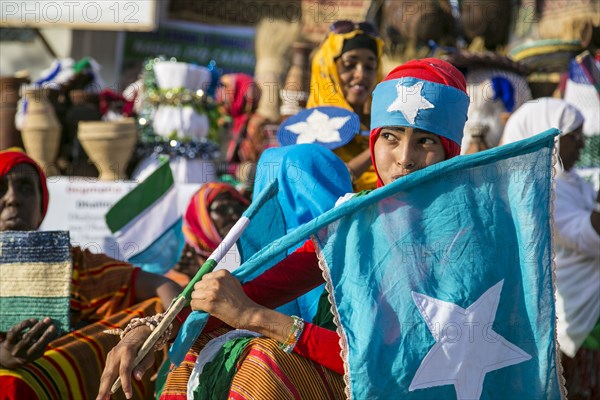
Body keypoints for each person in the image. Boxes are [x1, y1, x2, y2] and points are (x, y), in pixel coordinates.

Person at [97, 58, 468, 399]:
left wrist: (257, 319)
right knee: (199, 349)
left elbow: (408, 365)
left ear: (450, 149)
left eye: (425, 141)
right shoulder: (353, 222)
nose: (404, 158)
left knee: (263, 362)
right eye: (390, 137)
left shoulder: (466, 236)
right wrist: (153, 331)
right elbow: (262, 286)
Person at [0, 149, 181, 399]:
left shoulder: (74, 264)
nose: (12, 199)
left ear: (42, 204)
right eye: (2, 188)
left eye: (26, 188)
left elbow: (164, 287)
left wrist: (161, 336)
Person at [502, 98, 600, 399]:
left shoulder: (575, 184)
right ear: (550, 136)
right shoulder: (538, 190)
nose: (583, 144)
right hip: (572, 315)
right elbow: (588, 238)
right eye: (575, 136)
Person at [306, 20, 385, 191]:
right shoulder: (307, 133)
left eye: (370, 66)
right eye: (349, 65)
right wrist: (379, 145)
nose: (360, 74)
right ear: (328, 70)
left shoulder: (382, 124)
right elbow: (332, 182)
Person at [167, 182, 250, 287]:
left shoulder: (252, 247)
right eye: (222, 210)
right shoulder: (182, 265)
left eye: (238, 208)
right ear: (201, 217)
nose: (234, 216)